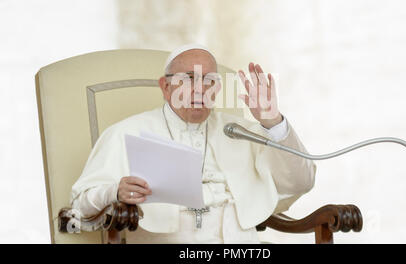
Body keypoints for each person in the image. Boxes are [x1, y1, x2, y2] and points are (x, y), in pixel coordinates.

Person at [70, 44, 316, 243]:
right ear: (166, 87)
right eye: (189, 78)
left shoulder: (243, 132)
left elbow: (301, 181)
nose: (200, 89)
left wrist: (272, 122)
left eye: (209, 80)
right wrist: (114, 191)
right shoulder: (126, 132)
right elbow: (79, 207)